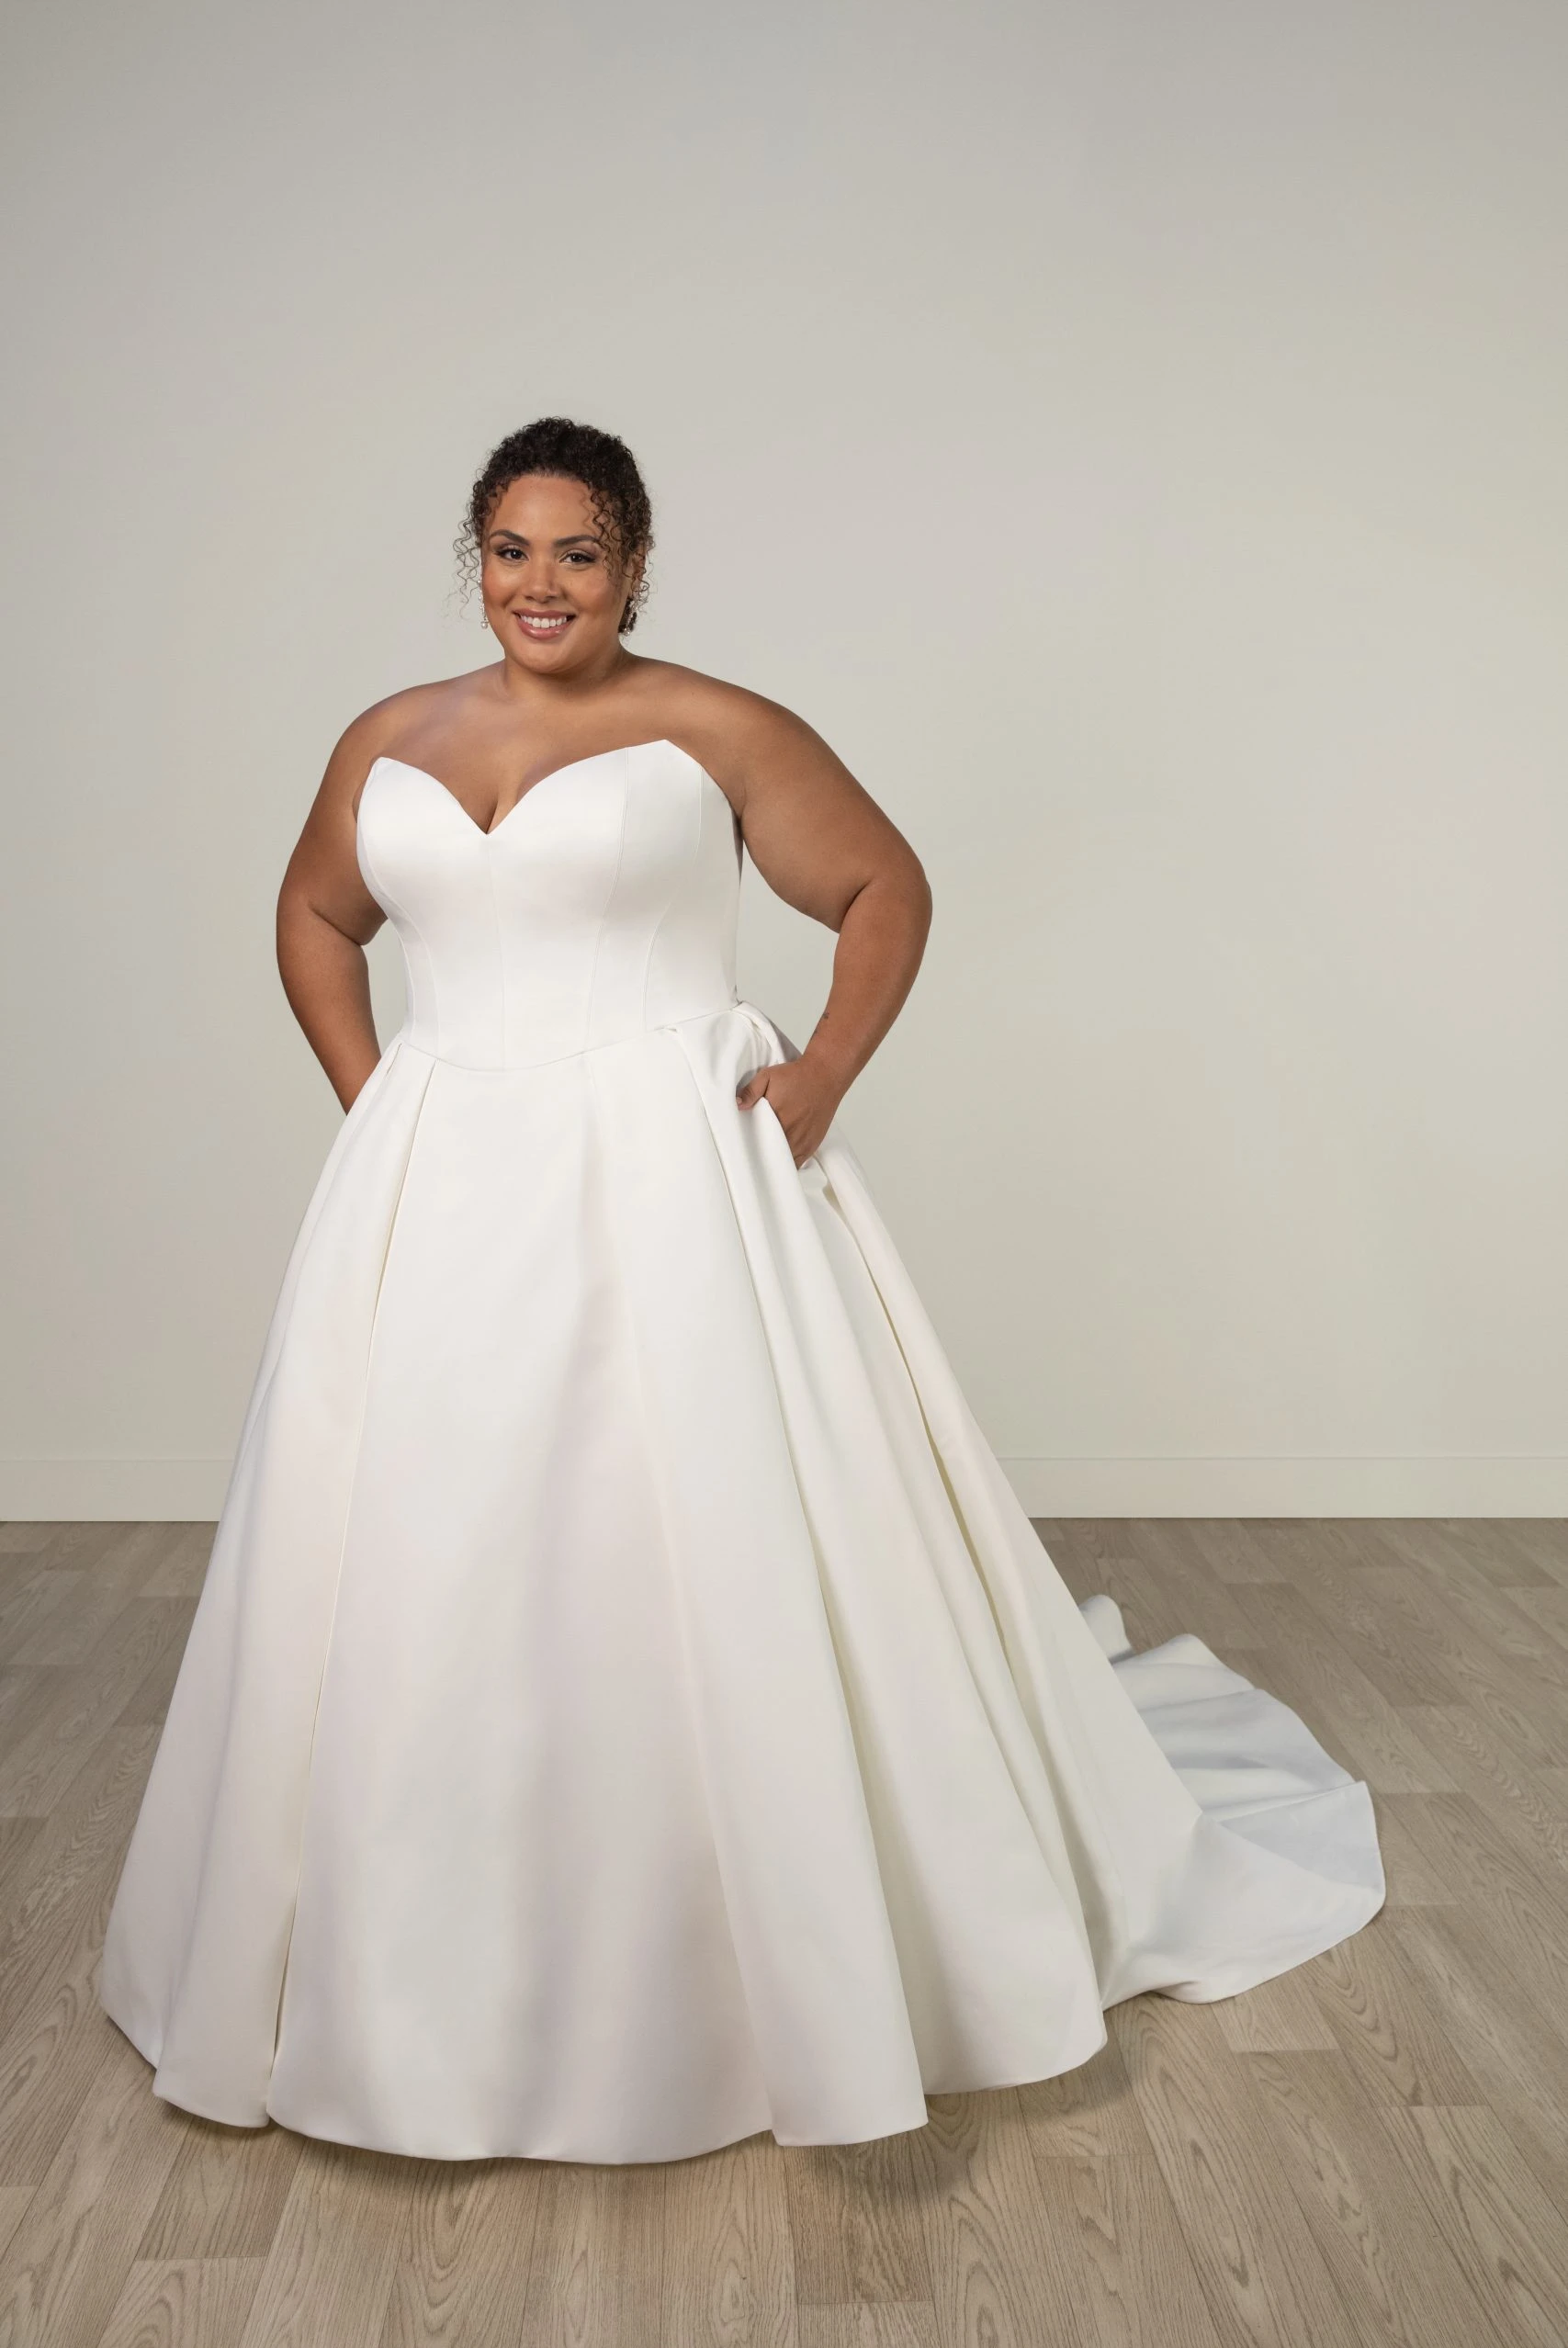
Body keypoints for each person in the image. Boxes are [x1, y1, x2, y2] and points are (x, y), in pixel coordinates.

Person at [97, 416, 1385, 2165]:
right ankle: (414, 1973)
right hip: (439, 1190)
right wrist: (381, 1101)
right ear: (472, 559)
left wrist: (824, 1077)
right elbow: (315, 918)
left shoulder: (713, 728)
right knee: (423, 1541)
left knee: (677, 1527)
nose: (538, 584)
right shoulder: (387, 738)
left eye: (577, 553)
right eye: (508, 549)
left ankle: (721, 1970)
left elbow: (880, 887)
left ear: (632, 566)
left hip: (665, 1177)